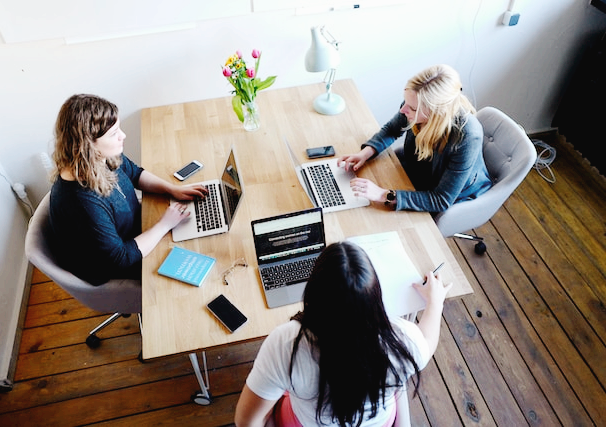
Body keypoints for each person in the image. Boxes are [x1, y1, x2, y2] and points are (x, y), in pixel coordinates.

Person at [235, 241, 452, 427]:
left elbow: (245, 421)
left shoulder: (286, 344)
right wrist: (435, 302)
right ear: (375, 296)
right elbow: (428, 342)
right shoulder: (402, 339)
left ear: (313, 292)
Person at [48, 94, 208, 285]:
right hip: (116, 266)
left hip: (136, 231)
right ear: (87, 144)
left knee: (200, 233)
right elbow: (120, 259)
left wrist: (171, 189)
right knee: (202, 254)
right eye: (114, 134)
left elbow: (134, 173)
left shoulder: (97, 158)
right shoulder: (81, 203)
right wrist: (165, 225)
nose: (122, 136)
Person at [340, 64, 492, 213]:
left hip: (449, 194)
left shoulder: (467, 137)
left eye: (412, 108)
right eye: (405, 102)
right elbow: (392, 130)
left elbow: (441, 199)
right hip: (418, 172)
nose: (403, 110)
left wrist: (382, 194)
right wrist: (365, 153)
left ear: (437, 113)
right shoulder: (414, 104)